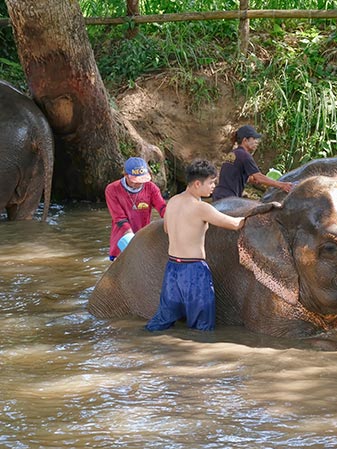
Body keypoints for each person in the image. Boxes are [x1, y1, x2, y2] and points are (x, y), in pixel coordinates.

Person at [145, 159, 245, 332]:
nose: (214, 186)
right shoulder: (201, 208)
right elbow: (236, 224)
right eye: (211, 182)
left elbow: (167, 229)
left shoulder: (173, 202)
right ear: (197, 183)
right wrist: (262, 211)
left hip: (172, 269)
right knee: (203, 325)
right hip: (194, 271)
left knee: (163, 320)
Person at [105, 157, 166, 261]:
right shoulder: (112, 189)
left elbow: (162, 208)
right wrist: (131, 238)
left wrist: (172, 220)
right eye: (135, 181)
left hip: (144, 238)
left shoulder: (151, 188)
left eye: (142, 180)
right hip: (122, 239)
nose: (139, 183)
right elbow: (119, 218)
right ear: (125, 175)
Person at [212, 124, 294, 200]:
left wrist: (250, 179)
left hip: (218, 195)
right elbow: (259, 177)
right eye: (253, 139)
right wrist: (282, 185)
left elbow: (233, 174)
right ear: (245, 140)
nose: (256, 142)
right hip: (228, 198)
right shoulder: (245, 155)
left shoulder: (233, 153)